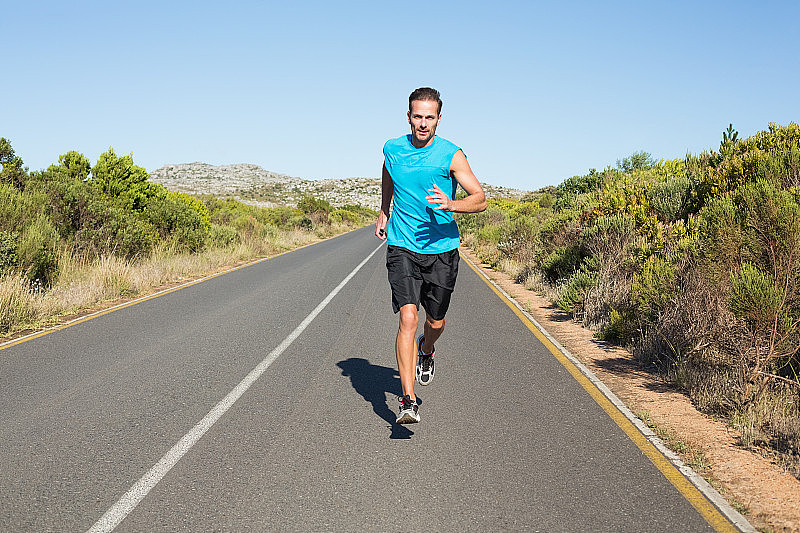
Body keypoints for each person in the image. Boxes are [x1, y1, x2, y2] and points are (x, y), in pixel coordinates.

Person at [375, 87, 487, 424]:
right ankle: (408, 401)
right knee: (407, 318)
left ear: (439, 119)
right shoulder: (392, 149)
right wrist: (384, 209)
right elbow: (388, 173)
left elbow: (480, 198)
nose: (423, 124)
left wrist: (452, 204)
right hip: (403, 246)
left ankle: (427, 348)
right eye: (417, 116)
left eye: (430, 117)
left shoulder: (451, 155)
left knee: (435, 322)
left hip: (441, 251)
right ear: (408, 116)